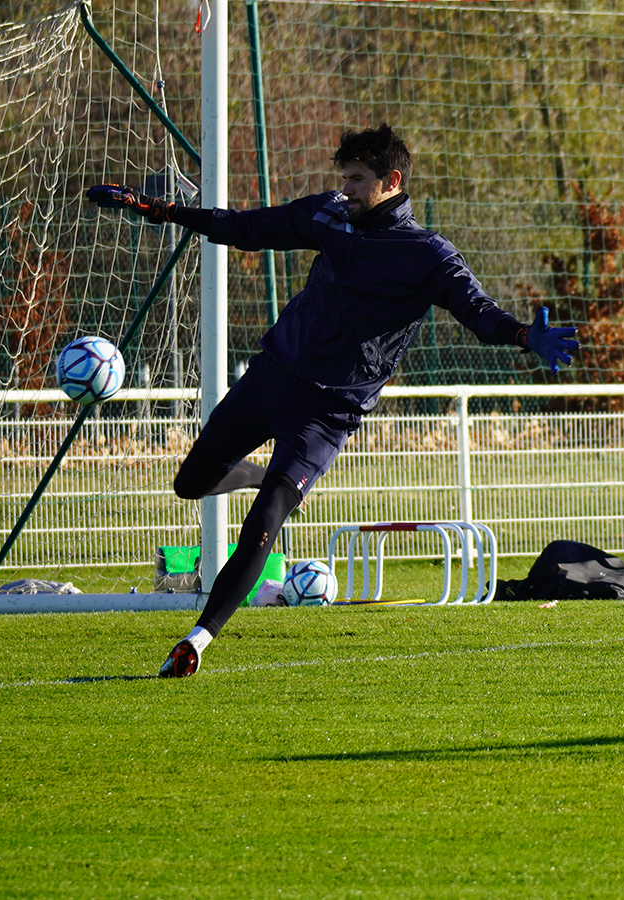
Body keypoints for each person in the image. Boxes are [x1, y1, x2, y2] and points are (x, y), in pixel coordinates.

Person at [87, 124, 578, 677]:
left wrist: (521, 335)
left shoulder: (428, 255)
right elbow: (247, 227)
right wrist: (162, 211)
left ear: (391, 181)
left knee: (266, 518)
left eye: (357, 178)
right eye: (342, 177)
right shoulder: (329, 215)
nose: (344, 188)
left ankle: (198, 639)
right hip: (271, 377)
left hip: (326, 413)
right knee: (190, 483)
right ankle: (254, 474)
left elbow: (477, 309)